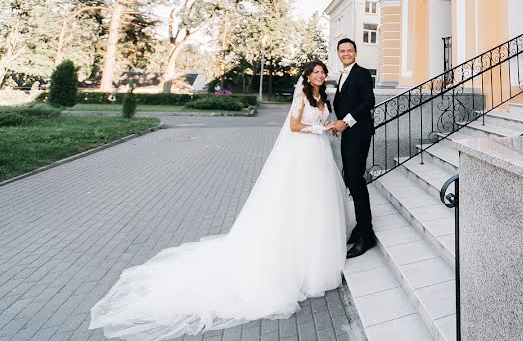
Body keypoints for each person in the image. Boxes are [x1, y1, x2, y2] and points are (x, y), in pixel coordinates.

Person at [89, 60, 353, 341]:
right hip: (303, 153)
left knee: (316, 204)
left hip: (319, 155)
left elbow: (320, 121)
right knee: (298, 202)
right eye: (315, 72)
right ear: (307, 75)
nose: (320, 75)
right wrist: (322, 129)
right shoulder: (301, 95)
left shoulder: (323, 96)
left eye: (322, 72)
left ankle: (315, 254)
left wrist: (331, 126)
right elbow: (294, 125)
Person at [331, 38, 377, 259]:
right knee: (350, 178)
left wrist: (345, 121)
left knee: (355, 180)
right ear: (338, 53)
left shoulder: (362, 73)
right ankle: (361, 226)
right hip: (349, 134)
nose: (346, 53)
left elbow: (368, 101)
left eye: (350, 50)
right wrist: (339, 124)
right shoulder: (343, 74)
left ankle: (366, 236)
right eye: (342, 50)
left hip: (359, 133)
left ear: (356, 53)